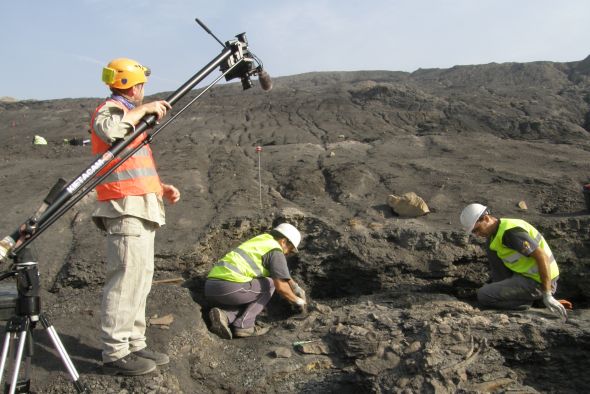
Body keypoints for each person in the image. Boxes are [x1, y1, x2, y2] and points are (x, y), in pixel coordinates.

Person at [91, 58, 180, 375]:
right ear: (132, 85)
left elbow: (132, 166)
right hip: (124, 209)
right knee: (125, 281)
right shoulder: (112, 110)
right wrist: (143, 110)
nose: (144, 91)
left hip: (141, 207)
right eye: (141, 84)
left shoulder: (129, 117)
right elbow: (110, 129)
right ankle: (115, 352)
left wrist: (160, 188)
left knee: (140, 281)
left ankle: (134, 343)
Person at [459, 203, 567, 321]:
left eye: (477, 230)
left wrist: (547, 294)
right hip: (524, 275)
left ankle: (527, 303)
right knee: (491, 248)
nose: (477, 234)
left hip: (539, 280)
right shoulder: (495, 235)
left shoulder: (510, 233)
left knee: (483, 295)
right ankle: (513, 295)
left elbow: (542, 257)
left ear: (486, 218)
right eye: (474, 232)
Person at [205, 223, 306, 339]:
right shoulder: (275, 251)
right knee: (270, 283)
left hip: (211, 288)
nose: (288, 253)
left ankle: (224, 316)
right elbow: (280, 286)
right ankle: (244, 326)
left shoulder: (262, 241)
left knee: (250, 301)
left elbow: (281, 273)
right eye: (290, 249)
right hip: (229, 288)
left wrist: (295, 287)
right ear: (283, 241)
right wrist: (297, 301)